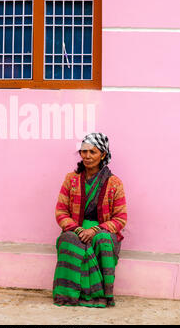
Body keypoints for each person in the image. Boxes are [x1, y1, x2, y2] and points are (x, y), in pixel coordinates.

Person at [53, 132, 127, 308]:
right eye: (83, 151)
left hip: (103, 231)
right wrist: (77, 230)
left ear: (102, 154)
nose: (87, 156)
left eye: (92, 152)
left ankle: (101, 295)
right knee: (68, 240)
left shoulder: (114, 183)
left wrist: (94, 230)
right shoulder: (71, 180)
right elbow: (61, 212)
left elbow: (120, 218)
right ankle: (68, 296)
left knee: (102, 240)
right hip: (75, 228)